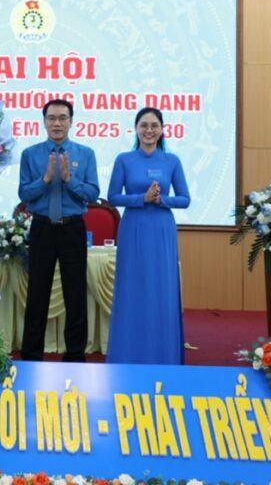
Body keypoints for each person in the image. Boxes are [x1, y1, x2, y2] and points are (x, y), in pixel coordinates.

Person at [107, 106, 190, 365]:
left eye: (154, 125)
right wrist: (141, 198)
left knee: (161, 289)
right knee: (132, 288)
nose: (149, 130)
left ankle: (163, 354)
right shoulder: (124, 159)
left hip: (162, 229)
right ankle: (128, 353)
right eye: (144, 125)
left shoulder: (172, 161)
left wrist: (161, 199)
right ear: (136, 129)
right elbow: (112, 197)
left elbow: (185, 199)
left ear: (162, 129)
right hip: (133, 228)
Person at [18, 99, 100, 361]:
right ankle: (31, 356)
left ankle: (75, 357)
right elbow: (24, 194)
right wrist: (45, 179)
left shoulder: (85, 154)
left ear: (71, 121)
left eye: (62, 118)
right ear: (44, 121)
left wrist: (68, 179)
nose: (57, 123)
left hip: (72, 229)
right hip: (42, 228)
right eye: (51, 118)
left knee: (75, 296)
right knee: (37, 295)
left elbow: (93, 193)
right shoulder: (30, 154)